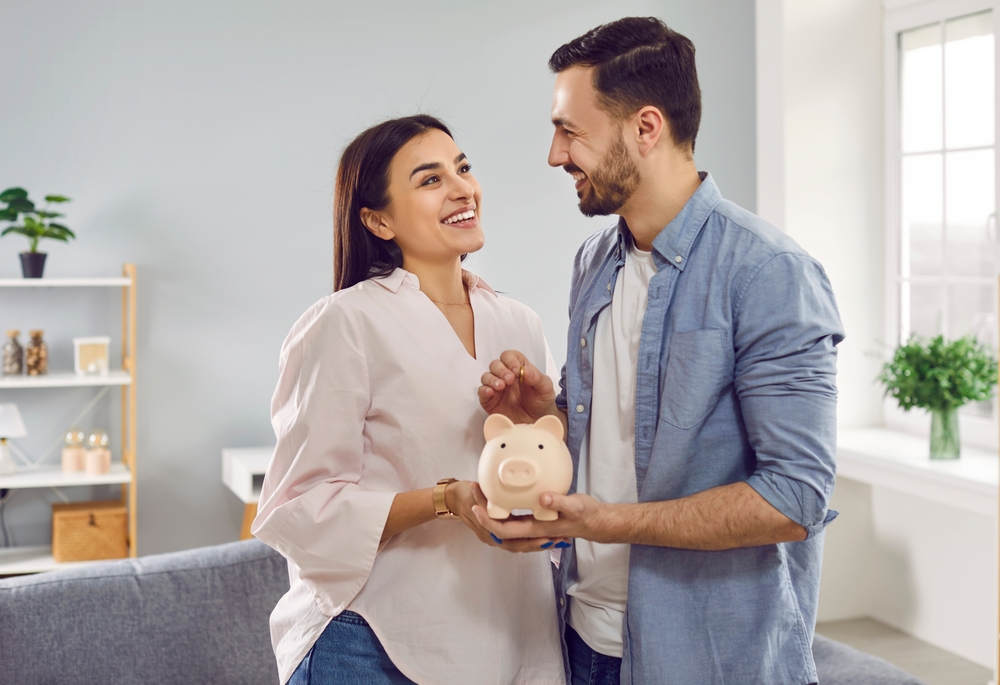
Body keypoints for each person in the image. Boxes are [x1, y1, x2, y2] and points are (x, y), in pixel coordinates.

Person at [475, 17, 845, 685]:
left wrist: (611, 521)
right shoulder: (594, 261)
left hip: (709, 658)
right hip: (585, 638)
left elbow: (796, 497)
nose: (555, 155)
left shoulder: (769, 272)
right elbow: (619, 432)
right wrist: (546, 412)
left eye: (570, 131)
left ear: (647, 128)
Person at [252, 115, 567, 685]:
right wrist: (448, 500)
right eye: (429, 179)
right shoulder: (345, 322)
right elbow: (297, 509)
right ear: (378, 219)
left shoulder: (518, 322)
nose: (462, 187)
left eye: (463, 168)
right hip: (373, 644)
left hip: (513, 639)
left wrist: (546, 419)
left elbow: (547, 472)